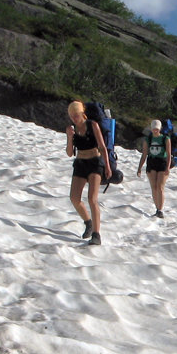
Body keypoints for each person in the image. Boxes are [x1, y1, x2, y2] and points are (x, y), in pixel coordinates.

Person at [65, 100, 111, 245]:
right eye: (72, 116)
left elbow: (102, 147)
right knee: (74, 198)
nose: (74, 118)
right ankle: (88, 222)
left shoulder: (92, 125)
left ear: (82, 113)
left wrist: (108, 166)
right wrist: (69, 137)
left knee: (92, 198)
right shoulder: (73, 129)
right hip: (80, 163)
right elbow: (69, 153)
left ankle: (96, 235)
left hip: (95, 163)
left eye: (76, 115)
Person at [137, 119, 172, 218]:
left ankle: (160, 210)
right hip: (152, 162)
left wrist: (168, 167)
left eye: (157, 129)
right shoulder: (148, 139)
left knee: (160, 187)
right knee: (154, 187)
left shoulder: (166, 139)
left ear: (160, 128)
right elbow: (144, 154)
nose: (155, 130)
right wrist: (139, 168)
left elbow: (169, 154)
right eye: (153, 129)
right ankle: (157, 208)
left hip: (162, 162)